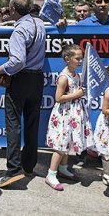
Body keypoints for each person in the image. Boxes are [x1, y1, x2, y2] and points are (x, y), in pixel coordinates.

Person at [0, 0, 46, 188]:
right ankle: (28, 165)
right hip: (37, 79)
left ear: (13, 9)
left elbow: (18, 61)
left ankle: (14, 170)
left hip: (21, 79)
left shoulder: (20, 30)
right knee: (32, 123)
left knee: (13, 125)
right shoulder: (39, 23)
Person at [45, 44, 92, 191]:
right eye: (77, 58)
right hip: (64, 114)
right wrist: (76, 94)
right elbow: (58, 98)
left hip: (73, 113)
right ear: (67, 59)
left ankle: (63, 168)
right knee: (60, 145)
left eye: (81, 58)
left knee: (68, 142)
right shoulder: (63, 78)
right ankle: (51, 174)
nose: (80, 61)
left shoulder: (76, 75)